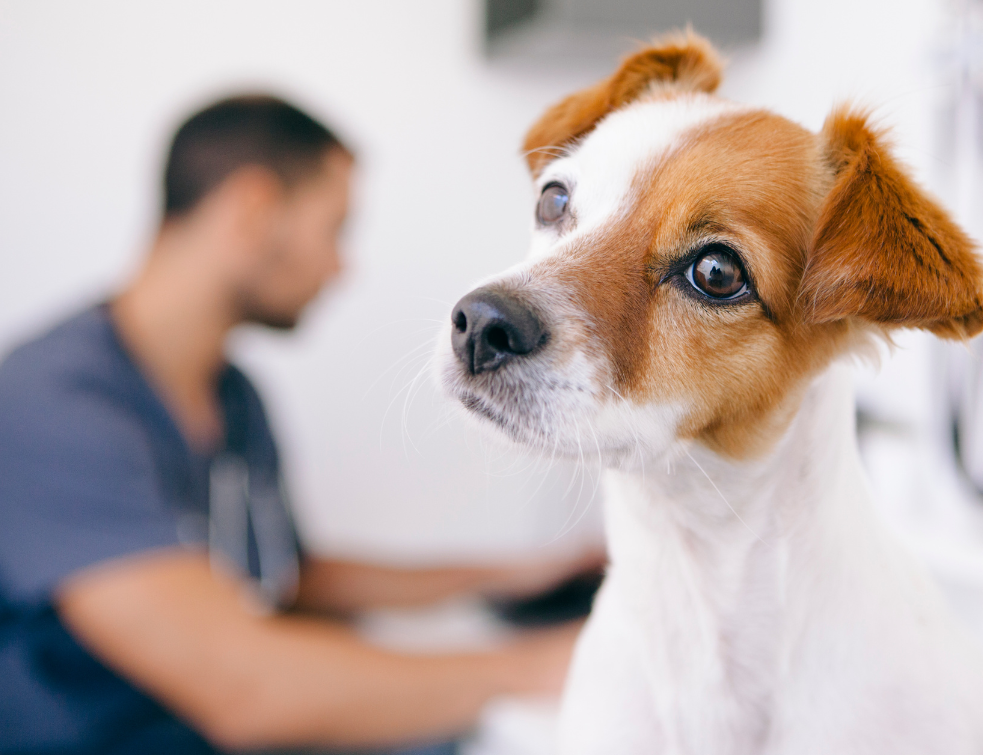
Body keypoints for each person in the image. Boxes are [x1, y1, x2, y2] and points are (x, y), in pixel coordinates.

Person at [0, 96, 593, 754]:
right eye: (335, 229)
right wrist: (551, 663)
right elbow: (243, 689)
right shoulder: (49, 405)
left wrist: (508, 574)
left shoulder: (234, 398)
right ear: (254, 209)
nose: (342, 267)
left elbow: (287, 575)